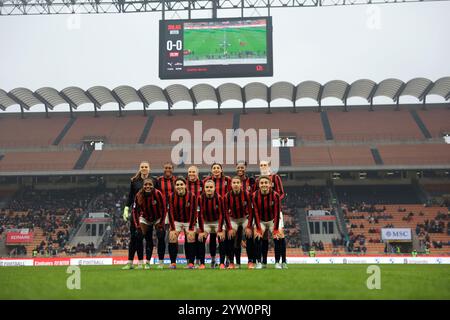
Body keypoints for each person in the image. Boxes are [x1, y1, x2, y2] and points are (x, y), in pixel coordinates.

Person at [122, 161, 157, 270]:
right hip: (136, 213)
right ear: (140, 168)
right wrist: (126, 207)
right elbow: (130, 196)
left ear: (149, 168)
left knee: (148, 238)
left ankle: (147, 263)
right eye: (142, 167)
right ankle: (131, 262)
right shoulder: (134, 181)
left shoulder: (154, 181)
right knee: (134, 238)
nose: (144, 168)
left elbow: (158, 196)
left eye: (146, 167)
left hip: (149, 214)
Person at [255, 160, 287, 268]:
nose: (263, 167)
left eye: (265, 165)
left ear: (268, 166)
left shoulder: (275, 177)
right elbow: (256, 195)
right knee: (262, 237)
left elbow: (281, 193)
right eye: (261, 165)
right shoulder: (258, 180)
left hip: (276, 211)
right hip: (262, 214)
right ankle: (263, 262)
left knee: (280, 236)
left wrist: (274, 201)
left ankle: (283, 261)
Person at [196, 180, 233, 269]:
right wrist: (201, 230)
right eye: (207, 187)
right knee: (201, 238)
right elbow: (199, 214)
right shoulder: (200, 198)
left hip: (217, 221)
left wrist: (220, 230)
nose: (209, 189)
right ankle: (202, 263)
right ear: (204, 188)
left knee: (222, 238)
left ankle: (221, 263)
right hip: (205, 222)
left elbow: (221, 214)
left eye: (211, 187)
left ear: (214, 188)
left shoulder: (219, 198)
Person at [131, 177, 166, 269]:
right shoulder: (138, 195)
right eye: (146, 185)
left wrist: (162, 223)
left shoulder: (158, 194)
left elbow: (164, 209)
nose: (148, 186)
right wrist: (137, 225)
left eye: (150, 184)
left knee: (161, 235)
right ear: (143, 186)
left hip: (157, 217)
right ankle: (142, 262)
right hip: (145, 218)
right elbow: (134, 211)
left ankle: (161, 262)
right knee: (139, 235)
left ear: (153, 186)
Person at [224, 176, 254, 269]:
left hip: (244, 218)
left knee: (249, 235)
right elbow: (225, 212)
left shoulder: (247, 194)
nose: (236, 184)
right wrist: (229, 228)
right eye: (234, 183)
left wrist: (249, 226)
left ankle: (250, 261)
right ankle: (232, 262)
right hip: (233, 219)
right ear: (231, 184)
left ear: (241, 184)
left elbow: (251, 210)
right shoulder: (227, 196)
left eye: (237, 183)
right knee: (230, 236)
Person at [168, 177, 198, 269]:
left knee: (191, 236)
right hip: (177, 221)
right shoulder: (171, 196)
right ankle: (173, 263)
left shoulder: (191, 196)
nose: (179, 186)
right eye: (177, 185)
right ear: (175, 186)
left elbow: (193, 212)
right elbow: (170, 212)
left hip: (189, 220)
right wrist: (173, 227)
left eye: (181, 184)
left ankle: (191, 263)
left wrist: (191, 227)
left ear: (185, 185)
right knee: (172, 236)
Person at [156, 162, 177, 268]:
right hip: (161, 212)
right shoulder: (158, 180)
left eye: (169, 168)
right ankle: (160, 262)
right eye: (166, 167)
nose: (167, 169)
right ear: (163, 169)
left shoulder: (176, 180)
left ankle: (173, 262)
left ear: (172, 169)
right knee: (161, 237)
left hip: (174, 211)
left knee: (172, 237)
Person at [186, 165, 203, 266]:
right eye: (190, 172)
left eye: (193, 172)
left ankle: (198, 261)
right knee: (189, 238)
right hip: (187, 215)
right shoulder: (184, 183)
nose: (191, 174)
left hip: (200, 214)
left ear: (197, 173)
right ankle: (189, 261)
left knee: (198, 238)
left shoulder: (202, 183)